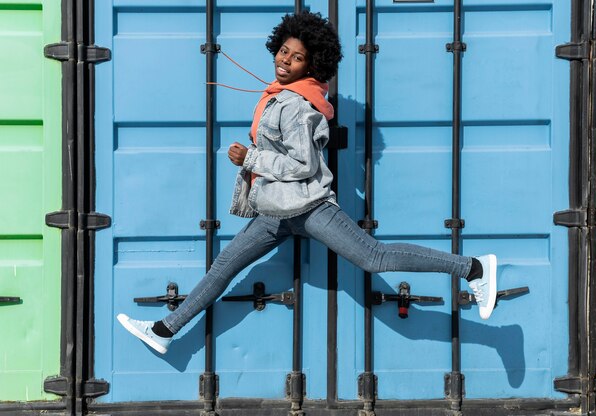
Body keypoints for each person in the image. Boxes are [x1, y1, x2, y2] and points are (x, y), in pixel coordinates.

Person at [117, 11, 497, 355]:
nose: (285, 60)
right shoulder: (280, 96)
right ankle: (165, 329)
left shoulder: (298, 105)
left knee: (373, 257)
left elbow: (303, 164)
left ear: (312, 64)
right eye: (283, 51)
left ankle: (474, 268)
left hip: (309, 207)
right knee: (224, 267)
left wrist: (250, 158)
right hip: (275, 209)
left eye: (296, 57)